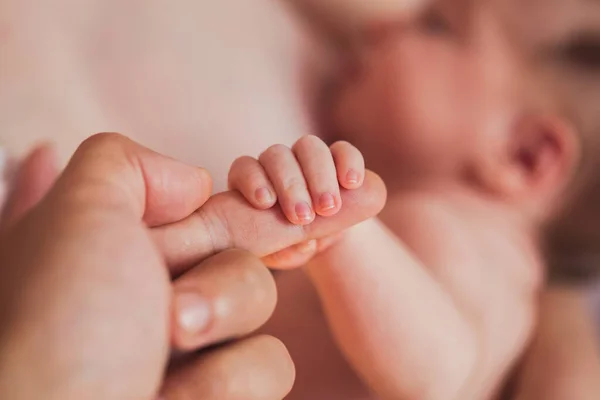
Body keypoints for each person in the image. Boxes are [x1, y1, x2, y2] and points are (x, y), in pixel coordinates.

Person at [223, 0, 600, 398]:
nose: (382, 24)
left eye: (437, 26)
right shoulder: (514, 282)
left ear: (525, 155)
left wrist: (342, 229)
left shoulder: (451, 235)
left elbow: (441, 372)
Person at [0, 133, 386, 400]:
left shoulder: (438, 218)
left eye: (437, 27)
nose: (386, 28)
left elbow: (442, 383)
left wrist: (349, 234)